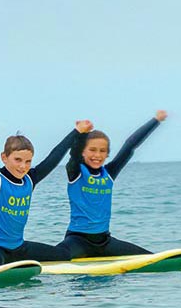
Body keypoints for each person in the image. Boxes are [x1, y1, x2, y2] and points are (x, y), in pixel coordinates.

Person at [0, 120, 94, 269]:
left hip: (18, 248)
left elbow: (53, 158)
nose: (23, 166)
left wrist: (77, 132)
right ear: (4, 157)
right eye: (18, 160)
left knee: (63, 255)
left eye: (28, 161)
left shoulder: (30, 179)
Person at [56, 111, 168, 259]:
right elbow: (74, 155)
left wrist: (156, 120)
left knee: (152, 259)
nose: (97, 155)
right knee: (55, 257)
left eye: (102, 151)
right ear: (83, 151)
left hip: (105, 242)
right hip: (78, 241)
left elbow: (130, 146)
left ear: (107, 154)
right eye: (92, 150)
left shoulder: (109, 173)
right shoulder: (76, 171)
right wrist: (81, 134)